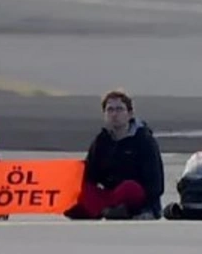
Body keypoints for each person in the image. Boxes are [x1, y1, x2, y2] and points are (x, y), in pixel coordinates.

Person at [64, 89, 165, 220]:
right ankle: (104, 210)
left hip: (135, 195)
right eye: (110, 110)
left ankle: (106, 210)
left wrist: (150, 207)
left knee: (130, 188)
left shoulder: (144, 140)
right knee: (81, 187)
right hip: (110, 195)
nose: (114, 114)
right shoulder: (102, 141)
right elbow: (90, 175)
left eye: (119, 109)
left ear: (129, 114)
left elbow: (155, 183)